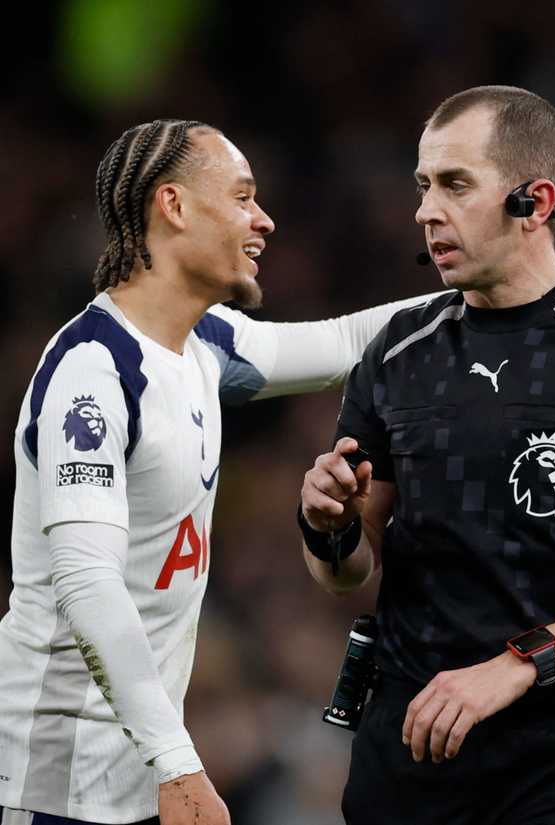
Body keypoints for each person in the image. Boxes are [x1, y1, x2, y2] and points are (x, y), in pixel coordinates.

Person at [0, 118, 457, 825]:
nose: (263, 219)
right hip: (61, 787)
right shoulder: (93, 373)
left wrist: (514, 285)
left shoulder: (204, 343)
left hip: (135, 773)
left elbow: (344, 342)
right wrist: (178, 761)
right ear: (174, 206)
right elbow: (87, 583)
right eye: (243, 197)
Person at [297, 85, 555, 825]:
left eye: (456, 184)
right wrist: (328, 526)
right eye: (423, 185)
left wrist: (514, 667)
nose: (428, 209)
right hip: (410, 745)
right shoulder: (399, 352)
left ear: (535, 199)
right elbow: (347, 572)